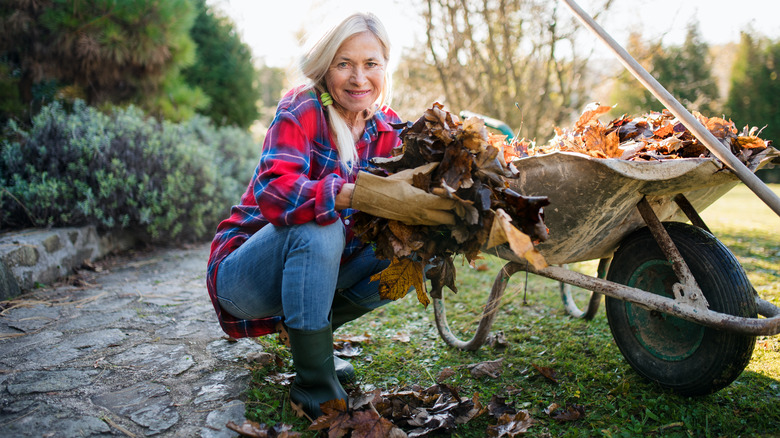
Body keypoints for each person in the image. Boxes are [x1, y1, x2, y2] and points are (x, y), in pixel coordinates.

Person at [205, 12, 455, 420]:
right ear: (325, 66)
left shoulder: (389, 128)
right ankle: (315, 388)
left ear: (384, 67)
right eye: (345, 64)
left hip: (313, 275)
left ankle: (311, 352)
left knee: (417, 245)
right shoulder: (301, 108)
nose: (359, 78)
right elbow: (274, 191)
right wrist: (347, 195)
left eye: (370, 64)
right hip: (244, 280)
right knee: (319, 225)